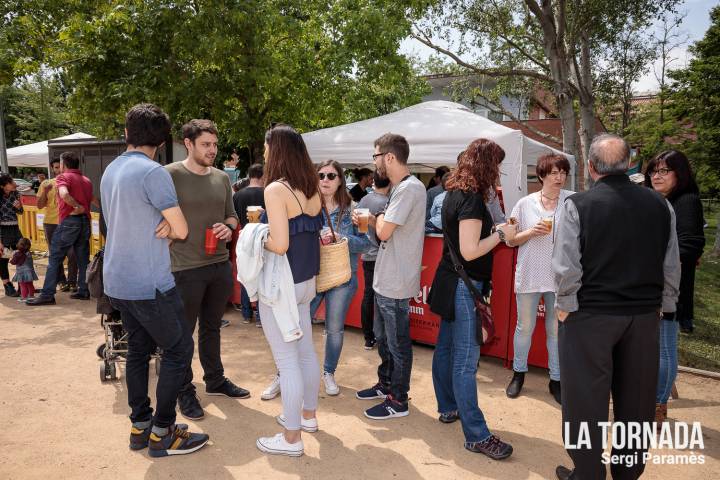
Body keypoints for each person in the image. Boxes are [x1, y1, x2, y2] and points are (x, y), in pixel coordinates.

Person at [553, 134, 680, 480]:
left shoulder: (576, 206)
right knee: (637, 402)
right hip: (642, 317)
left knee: (585, 402)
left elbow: (566, 266)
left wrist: (565, 306)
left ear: (592, 167)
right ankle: (627, 473)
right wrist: (664, 305)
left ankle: (589, 473)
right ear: (631, 165)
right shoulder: (660, 205)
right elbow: (672, 263)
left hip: (589, 317)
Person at [101, 103, 208, 457]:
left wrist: (163, 225)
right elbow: (181, 228)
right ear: (162, 140)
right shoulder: (153, 173)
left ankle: (140, 426)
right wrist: (171, 228)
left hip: (118, 279)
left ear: (127, 132)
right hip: (149, 281)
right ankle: (163, 432)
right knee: (179, 349)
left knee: (138, 350)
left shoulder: (111, 170)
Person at [428, 138, 517, 460]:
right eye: (498, 165)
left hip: (451, 283)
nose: (499, 172)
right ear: (488, 166)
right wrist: (501, 235)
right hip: (463, 286)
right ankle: (477, 435)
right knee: (465, 363)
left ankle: (448, 407)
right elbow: (470, 251)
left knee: (447, 349)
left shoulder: (452, 193)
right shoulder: (472, 200)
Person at [165, 119, 248, 421]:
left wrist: (228, 228)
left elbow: (232, 215)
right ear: (188, 143)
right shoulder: (169, 175)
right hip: (184, 267)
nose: (212, 150)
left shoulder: (222, 178)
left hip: (219, 265)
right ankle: (184, 390)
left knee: (212, 328)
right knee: (183, 334)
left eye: (214, 144)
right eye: (206, 145)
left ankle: (214, 380)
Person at [254, 124, 323, 456]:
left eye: (267, 146)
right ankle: (308, 416)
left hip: (283, 284)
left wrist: (255, 236)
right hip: (307, 281)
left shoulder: (276, 189)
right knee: (306, 352)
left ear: (277, 149)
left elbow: (279, 244)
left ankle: (292, 438)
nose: (265, 152)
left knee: (287, 361)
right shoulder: (311, 187)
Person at [354, 133, 426, 420]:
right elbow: (384, 230)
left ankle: (399, 399)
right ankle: (386, 384)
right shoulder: (400, 188)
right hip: (387, 276)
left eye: (376, 157)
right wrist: (378, 217)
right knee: (384, 338)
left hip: (396, 280)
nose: (375, 163)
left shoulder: (409, 189)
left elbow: (384, 231)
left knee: (397, 342)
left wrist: (377, 217)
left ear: (390, 157)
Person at [505, 153, 572, 404]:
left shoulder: (572, 201)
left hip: (560, 278)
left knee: (555, 331)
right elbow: (510, 240)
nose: (559, 177)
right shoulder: (524, 204)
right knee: (525, 328)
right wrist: (530, 232)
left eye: (563, 172)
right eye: (554, 172)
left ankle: (556, 379)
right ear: (542, 175)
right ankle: (518, 373)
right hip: (531, 273)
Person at [645, 150, 705, 421]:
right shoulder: (654, 200)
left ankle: (659, 406)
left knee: (665, 348)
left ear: (679, 174)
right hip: (646, 286)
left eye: (664, 171)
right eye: (653, 171)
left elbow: (691, 244)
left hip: (669, 288)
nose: (656, 176)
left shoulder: (686, 201)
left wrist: (654, 262)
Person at [310, 160, 371, 396]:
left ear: (340, 181)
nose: (325, 180)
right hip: (312, 274)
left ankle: (328, 372)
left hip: (343, 278)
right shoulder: (307, 206)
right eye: (321, 175)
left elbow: (365, 244)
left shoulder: (353, 210)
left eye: (331, 176)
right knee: (299, 325)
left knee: (334, 329)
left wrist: (341, 237)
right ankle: (286, 372)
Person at [27, 152, 93, 305]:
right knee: (82, 258)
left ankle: (47, 295)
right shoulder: (86, 180)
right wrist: (82, 208)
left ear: (63, 164)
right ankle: (83, 290)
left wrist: (76, 206)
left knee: (55, 257)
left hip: (69, 220)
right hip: (85, 221)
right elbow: (92, 199)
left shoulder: (63, 177)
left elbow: (63, 194)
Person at [356, 171, 391, 350]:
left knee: (369, 295)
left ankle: (368, 337)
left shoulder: (364, 200)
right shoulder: (386, 203)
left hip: (367, 254)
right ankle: (380, 337)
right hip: (381, 255)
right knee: (381, 298)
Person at [233, 163, 265, 324]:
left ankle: (246, 314)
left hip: (244, 236)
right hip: (263, 237)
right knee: (261, 274)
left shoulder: (237, 195)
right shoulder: (268, 194)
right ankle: (260, 315)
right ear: (262, 176)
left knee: (246, 274)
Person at [36, 158, 75, 291]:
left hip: (68, 221)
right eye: (56, 167)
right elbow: (40, 205)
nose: (59, 170)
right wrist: (45, 192)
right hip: (50, 223)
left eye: (61, 167)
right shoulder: (46, 183)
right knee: (55, 254)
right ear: (52, 168)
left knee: (72, 253)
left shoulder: (71, 181)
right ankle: (61, 281)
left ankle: (72, 281)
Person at [0, 174, 23, 297]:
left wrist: (19, 207)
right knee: (4, 259)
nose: (13, 183)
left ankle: (22, 283)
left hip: (15, 229)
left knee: (20, 255)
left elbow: (20, 212)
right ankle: (7, 285)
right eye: (10, 182)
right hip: (3, 230)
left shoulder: (15, 194)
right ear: (3, 186)